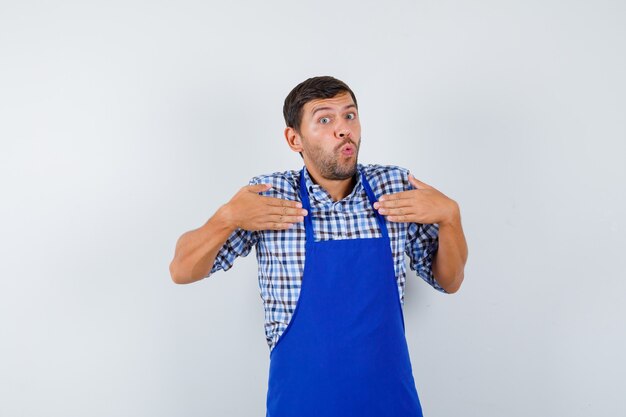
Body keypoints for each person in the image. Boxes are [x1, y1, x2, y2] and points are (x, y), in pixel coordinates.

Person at [169, 76, 468, 417]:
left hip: (389, 402)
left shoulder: (395, 187)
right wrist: (225, 218)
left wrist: (450, 218)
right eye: (325, 119)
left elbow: (450, 281)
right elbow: (181, 270)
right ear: (293, 138)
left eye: (350, 115)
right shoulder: (269, 195)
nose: (343, 130)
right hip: (301, 403)